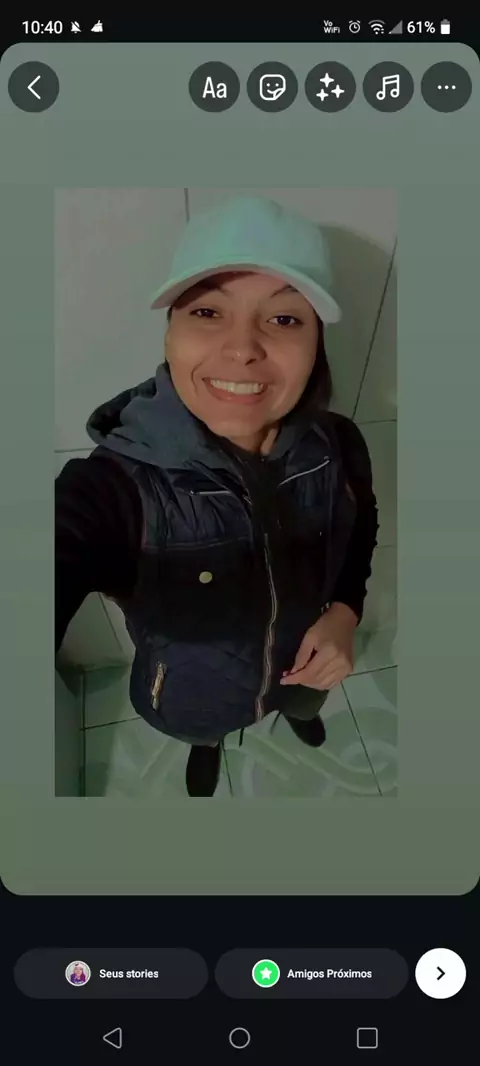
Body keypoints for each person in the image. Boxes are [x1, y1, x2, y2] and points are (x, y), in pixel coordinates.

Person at [56, 196, 379, 797]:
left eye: (284, 319)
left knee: (305, 703)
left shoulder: (339, 444)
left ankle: (298, 717)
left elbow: (360, 525)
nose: (242, 348)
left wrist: (345, 609)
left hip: (304, 667)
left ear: (316, 343)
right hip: (194, 697)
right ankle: (206, 749)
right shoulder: (113, 489)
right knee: (204, 731)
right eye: (208, 311)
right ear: (170, 334)